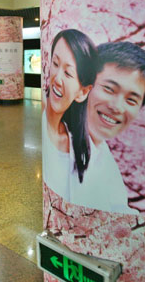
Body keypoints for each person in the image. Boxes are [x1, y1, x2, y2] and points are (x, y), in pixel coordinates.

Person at [69, 41, 145, 214]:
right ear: (84, 84)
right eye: (109, 89)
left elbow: (118, 207)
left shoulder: (102, 151)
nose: (117, 107)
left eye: (131, 100)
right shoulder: (61, 143)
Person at [43, 29, 97, 200]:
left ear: (83, 92)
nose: (57, 79)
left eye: (68, 73)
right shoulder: (38, 125)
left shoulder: (86, 147)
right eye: (55, 64)